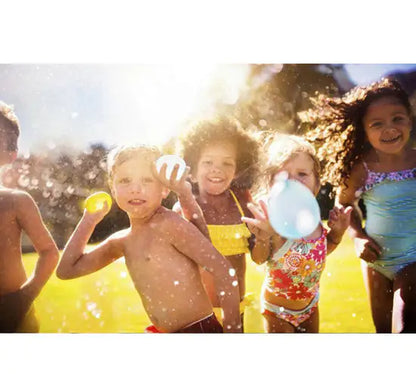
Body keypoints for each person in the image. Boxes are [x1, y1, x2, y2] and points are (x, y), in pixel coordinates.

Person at [56, 144, 242, 333]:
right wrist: (89, 220)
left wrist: (232, 331)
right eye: (125, 180)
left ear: (164, 189)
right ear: (113, 189)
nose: (135, 189)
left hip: (200, 329)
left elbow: (223, 271)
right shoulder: (122, 241)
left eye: (147, 180)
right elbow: (67, 270)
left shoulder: (169, 224)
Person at [300, 78, 416, 333]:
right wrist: (358, 238)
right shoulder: (360, 169)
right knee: (383, 330)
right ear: (363, 130)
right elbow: (345, 208)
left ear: (410, 118)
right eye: (377, 124)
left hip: (414, 262)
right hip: (376, 261)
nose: (389, 129)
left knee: (405, 326)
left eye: (397, 118)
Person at [242, 134, 351, 333]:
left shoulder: (314, 220)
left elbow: (320, 252)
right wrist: (263, 238)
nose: (293, 181)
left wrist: (337, 234)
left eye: (302, 174)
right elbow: (259, 259)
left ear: (317, 185)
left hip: (311, 306)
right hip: (277, 310)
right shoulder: (273, 221)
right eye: (283, 175)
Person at [175, 117, 260, 330]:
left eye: (227, 163)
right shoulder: (184, 208)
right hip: (197, 314)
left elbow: (259, 256)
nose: (217, 169)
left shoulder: (244, 203)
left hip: (235, 309)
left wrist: (264, 236)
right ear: (192, 169)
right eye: (208, 162)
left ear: (238, 169)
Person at [0, 101, 59, 332]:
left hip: (13, 312)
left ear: (10, 155)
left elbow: (49, 252)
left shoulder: (16, 201)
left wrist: (25, 298)